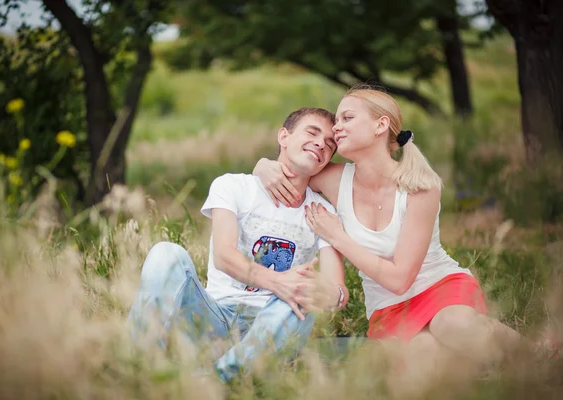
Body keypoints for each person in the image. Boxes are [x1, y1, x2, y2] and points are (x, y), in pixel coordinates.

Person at [254, 85, 560, 374]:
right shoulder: (334, 179)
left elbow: (400, 279)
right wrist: (262, 166)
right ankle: (482, 370)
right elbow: (290, 170)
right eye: (338, 121)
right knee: (424, 365)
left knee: (453, 326)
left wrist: (338, 237)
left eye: (347, 118)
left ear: (380, 125)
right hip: (387, 308)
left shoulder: (420, 187)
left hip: (440, 288)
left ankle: (540, 361)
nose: (336, 128)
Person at [128, 107, 349, 384]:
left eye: (330, 144)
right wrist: (280, 282)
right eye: (312, 133)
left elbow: (337, 288)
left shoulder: (321, 211)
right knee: (165, 252)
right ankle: (138, 369)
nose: (321, 143)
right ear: (283, 136)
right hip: (215, 318)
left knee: (303, 295)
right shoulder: (233, 186)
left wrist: (327, 293)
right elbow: (224, 256)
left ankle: (214, 381)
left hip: (275, 326)